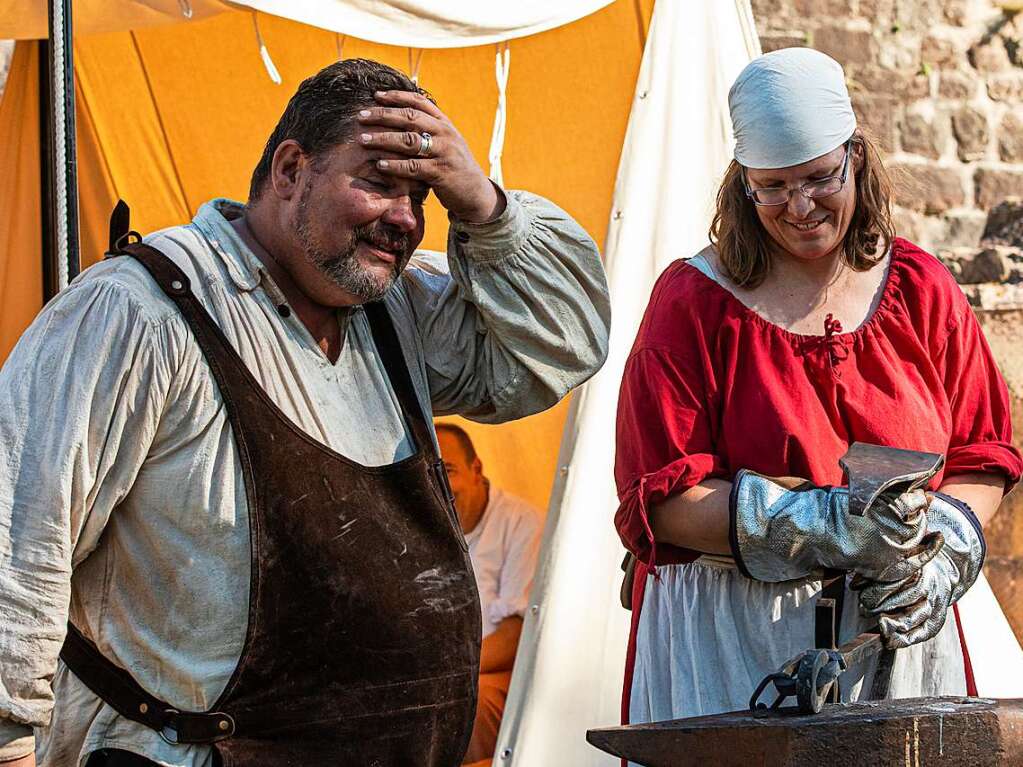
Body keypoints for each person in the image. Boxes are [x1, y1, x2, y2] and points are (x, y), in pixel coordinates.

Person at [0, 59, 610, 767]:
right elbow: (18, 538)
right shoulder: (137, 312)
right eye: (379, 183)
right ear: (291, 169)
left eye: (422, 195)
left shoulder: (396, 312)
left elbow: (558, 349)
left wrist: (481, 204)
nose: (406, 220)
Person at [614, 47, 1022, 732]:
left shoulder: (920, 287)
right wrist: (828, 525)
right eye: (771, 186)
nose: (798, 206)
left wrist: (946, 546)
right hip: (737, 636)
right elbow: (662, 498)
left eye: (818, 178)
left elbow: (981, 455)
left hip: (895, 632)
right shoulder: (691, 304)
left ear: (854, 158)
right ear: (741, 183)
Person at [434, 422, 542, 766]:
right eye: (431, 475)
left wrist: (445, 672)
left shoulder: (522, 523)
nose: (441, 487)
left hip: (498, 674)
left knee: (469, 703)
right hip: (447, 673)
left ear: (476, 469)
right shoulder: (423, 528)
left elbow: (515, 639)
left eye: (448, 471)